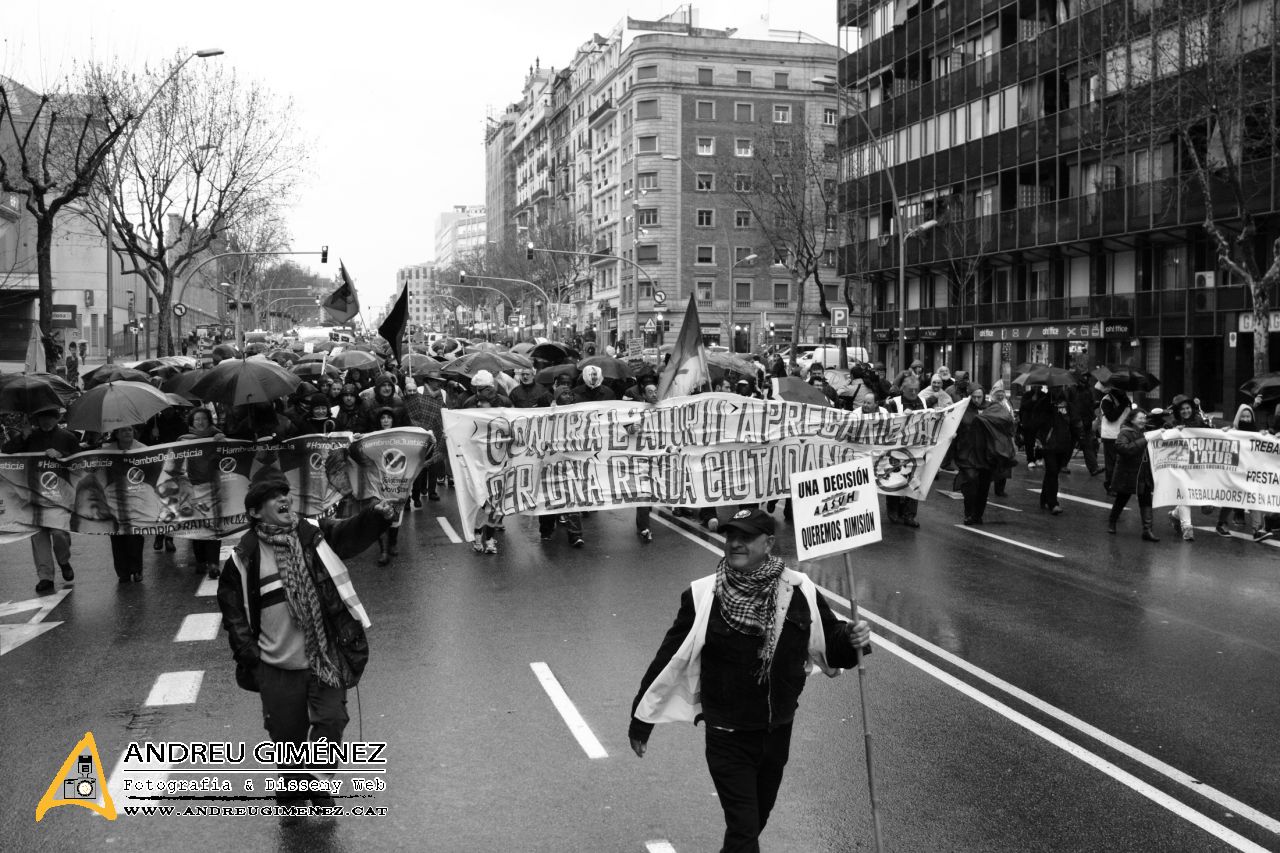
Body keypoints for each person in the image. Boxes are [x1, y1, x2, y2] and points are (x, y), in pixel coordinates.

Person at [628, 508, 872, 853]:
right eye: (731, 537)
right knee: (744, 829)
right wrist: (641, 719)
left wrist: (852, 637)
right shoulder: (702, 595)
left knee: (754, 821)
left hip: (777, 731)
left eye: (745, 537)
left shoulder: (800, 589)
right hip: (727, 734)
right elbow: (668, 658)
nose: (735, 544)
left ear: (768, 542)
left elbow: (829, 643)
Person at [216, 471, 394, 821]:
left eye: (286, 494)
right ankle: (294, 788)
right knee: (286, 736)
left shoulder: (313, 536)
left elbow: (348, 533)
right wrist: (250, 656)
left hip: (323, 658)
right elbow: (233, 610)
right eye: (274, 497)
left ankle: (318, 783)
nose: (285, 500)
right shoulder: (243, 557)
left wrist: (376, 516)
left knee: (331, 720)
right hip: (276, 666)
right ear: (254, 512)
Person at [2, 407, 79, 593]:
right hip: (33, 495)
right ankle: (45, 577)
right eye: (42, 417)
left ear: (57, 418)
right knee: (38, 537)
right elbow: (6, 452)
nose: (46, 421)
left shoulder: (68, 437)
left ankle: (63, 560)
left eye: (50, 417)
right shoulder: (31, 436)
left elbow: (79, 463)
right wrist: (23, 437)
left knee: (59, 534)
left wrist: (62, 456)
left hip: (58, 497)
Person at [952, 385, 1015, 525]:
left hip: (986, 454)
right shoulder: (961, 409)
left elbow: (1006, 420)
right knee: (970, 482)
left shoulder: (991, 407)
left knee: (983, 486)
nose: (976, 400)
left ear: (984, 396)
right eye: (973, 397)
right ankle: (968, 514)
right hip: (967, 453)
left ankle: (978, 515)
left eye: (979, 397)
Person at [178, 408, 227, 579]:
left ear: (209, 421)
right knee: (197, 526)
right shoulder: (183, 441)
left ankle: (213, 563)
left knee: (213, 526)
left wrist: (221, 444)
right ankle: (201, 561)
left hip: (213, 487)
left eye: (203, 419)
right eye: (196, 419)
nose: (200, 422)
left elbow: (227, 460)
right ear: (191, 423)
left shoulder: (218, 438)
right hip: (192, 488)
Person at [104, 425, 148, 584]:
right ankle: (122, 571)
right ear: (116, 433)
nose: (127, 433)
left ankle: (136, 569)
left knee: (134, 535)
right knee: (117, 537)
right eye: (122, 430)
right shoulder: (106, 450)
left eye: (129, 429)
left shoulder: (143, 449)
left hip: (135, 498)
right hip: (113, 499)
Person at [1107, 409, 1160, 541]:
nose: (1143, 420)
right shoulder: (1125, 432)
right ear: (1132, 419)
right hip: (1128, 473)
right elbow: (1122, 448)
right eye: (1140, 418)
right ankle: (1112, 522)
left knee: (1146, 500)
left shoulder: (1147, 431)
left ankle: (1147, 530)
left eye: (1144, 418)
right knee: (1122, 498)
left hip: (1143, 472)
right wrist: (1144, 440)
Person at [1217, 404, 1267, 540]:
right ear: (1238, 417)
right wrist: (1223, 432)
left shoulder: (1257, 433)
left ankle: (1257, 529)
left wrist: (1266, 436)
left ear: (1252, 417)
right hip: (1235, 473)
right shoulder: (1232, 431)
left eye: (1248, 416)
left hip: (1250, 473)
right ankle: (1221, 523)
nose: (1245, 419)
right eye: (1243, 416)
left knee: (1254, 497)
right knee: (1232, 499)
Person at [884, 380, 924, 527]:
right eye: (910, 390)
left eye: (916, 389)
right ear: (903, 390)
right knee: (895, 479)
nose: (914, 393)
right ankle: (893, 512)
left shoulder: (923, 402)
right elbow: (886, 423)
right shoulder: (894, 404)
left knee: (914, 481)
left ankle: (910, 515)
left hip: (916, 449)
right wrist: (901, 417)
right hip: (896, 449)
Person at [1036, 391, 1082, 515]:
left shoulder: (1068, 405)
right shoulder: (1044, 402)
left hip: (1063, 444)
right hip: (1048, 444)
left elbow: (1074, 421)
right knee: (1052, 471)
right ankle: (1053, 503)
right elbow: (1038, 420)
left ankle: (1044, 497)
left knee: (1054, 472)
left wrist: (1079, 437)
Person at [1166, 394, 1204, 541]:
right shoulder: (1171, 423)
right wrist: (1174, 432)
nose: (1186, 411)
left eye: (1188, 408)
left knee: (1192, 495)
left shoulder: (1200, 421)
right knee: (1184, 493)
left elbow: (1212, 436)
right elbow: (1163, 438)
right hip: (1179, 465)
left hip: (1197, 464)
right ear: (1177, 411)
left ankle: (1175, 514)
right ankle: (1187, 527)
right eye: (1182, 409)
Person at [1098, 381, 1133, 495]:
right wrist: (1123, 404)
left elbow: (1130, 416)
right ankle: (1110, 485)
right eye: (1121, 389)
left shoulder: (1126, 400)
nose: (1124, 391)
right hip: (1111, 436)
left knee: (1123, 462)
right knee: (1112, 463)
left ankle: (1120, 485)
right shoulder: (1106, 400)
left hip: (1124, 434)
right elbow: (1111, 417)